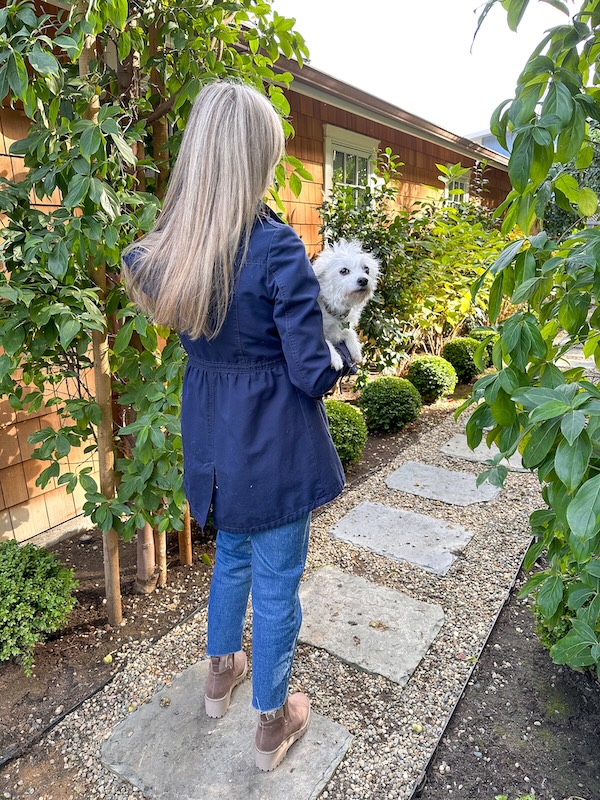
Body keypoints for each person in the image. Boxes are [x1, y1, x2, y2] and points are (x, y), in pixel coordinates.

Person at [122, 80, 354, 772]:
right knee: (278, 582)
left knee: (231, 558)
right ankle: (272, 722)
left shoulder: (169, 253)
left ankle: (220, 673)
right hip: (275, 446)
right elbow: (312, 373)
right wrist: (342, 349)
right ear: (255, 158)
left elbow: (145, 272)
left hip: (214, 446)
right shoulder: (277, 247)